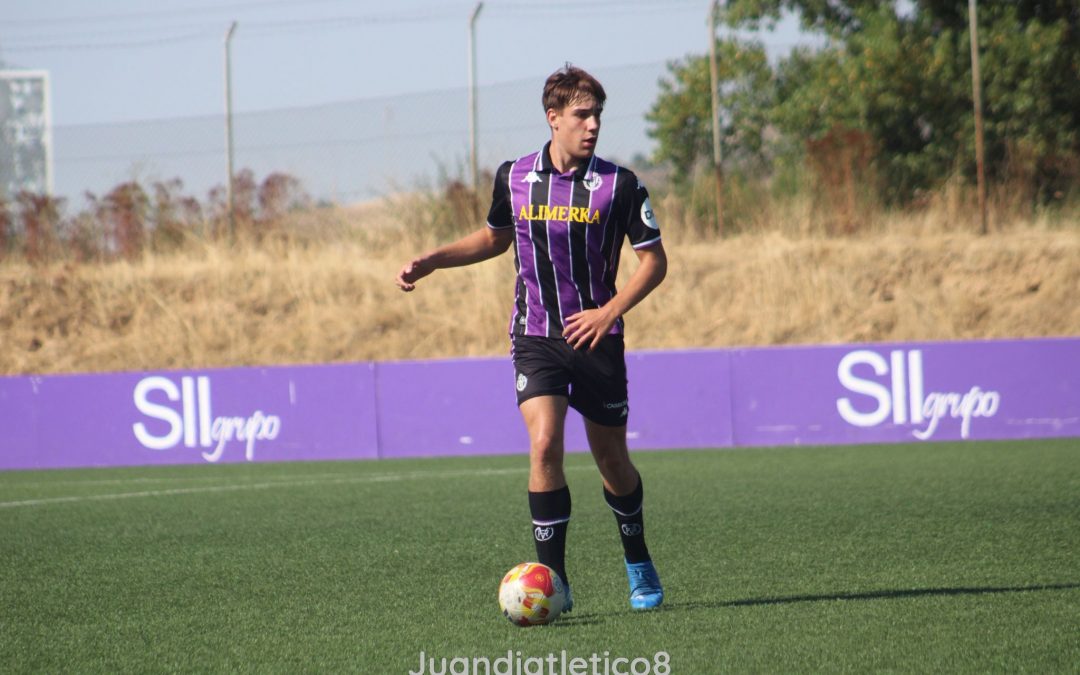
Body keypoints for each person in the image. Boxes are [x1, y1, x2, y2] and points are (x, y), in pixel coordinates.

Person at [396, 65, 667, 611]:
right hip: (536, 335)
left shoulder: (620, 185)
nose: (592, 125)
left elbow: (654, 262)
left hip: (597, 340)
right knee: (544, 443)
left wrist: (608, 312)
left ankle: (637, 560)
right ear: (553, 118)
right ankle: (554, 581)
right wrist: (434, 260)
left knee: (612, 461)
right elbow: (494, 238)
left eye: (597, 115)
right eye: (582, 115)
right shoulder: (515, 176)